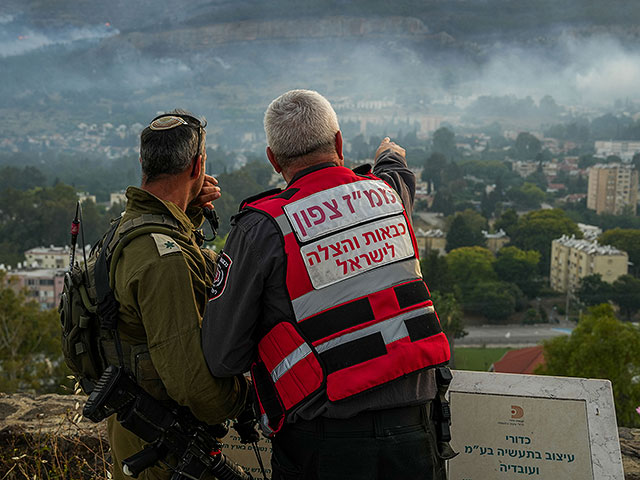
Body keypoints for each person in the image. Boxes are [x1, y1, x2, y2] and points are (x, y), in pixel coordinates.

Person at [202, 90, 453, 479]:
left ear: (273, 159)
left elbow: (223, 356)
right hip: (416, 432)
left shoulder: (263, 228)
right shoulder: (387, 197)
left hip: (324, 445)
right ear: (338, 142)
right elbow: (397, 176)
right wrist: (389, 154)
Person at [107, 110, 249, 480]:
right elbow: (193, 386)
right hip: (164, 448)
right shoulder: (161, 259)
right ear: (197, 164)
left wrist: (190, 209)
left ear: (144, 162)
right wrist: (247, 399)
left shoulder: (125, 229)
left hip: (136, 431)